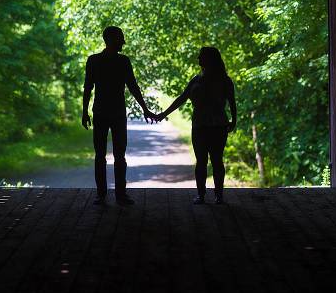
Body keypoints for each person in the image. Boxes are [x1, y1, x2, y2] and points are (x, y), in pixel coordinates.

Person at [82, 26, 157, 205]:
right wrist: (145, 109)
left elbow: (88, 88)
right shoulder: (122, 61)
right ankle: (120, 195)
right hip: (116, 113)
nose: (123, 42)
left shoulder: (94, 60)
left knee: (100, 155)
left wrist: (85, 111)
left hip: (101, 112)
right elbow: (133, 87)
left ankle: (102, 195)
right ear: (112, 39)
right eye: (121, 38)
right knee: (118, 155)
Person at [157, 46, 237, 204]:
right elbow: (181, 98)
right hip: (205, 126)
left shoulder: (223, 80)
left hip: (214, 126)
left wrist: (234, 121)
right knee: (204, 161)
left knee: (214, 160)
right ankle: (204, 195)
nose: (198, 59)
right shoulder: (199, 79)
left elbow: (232, 103)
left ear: (209, 59)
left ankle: (216, 195)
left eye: (201, 56)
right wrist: (163, 114)